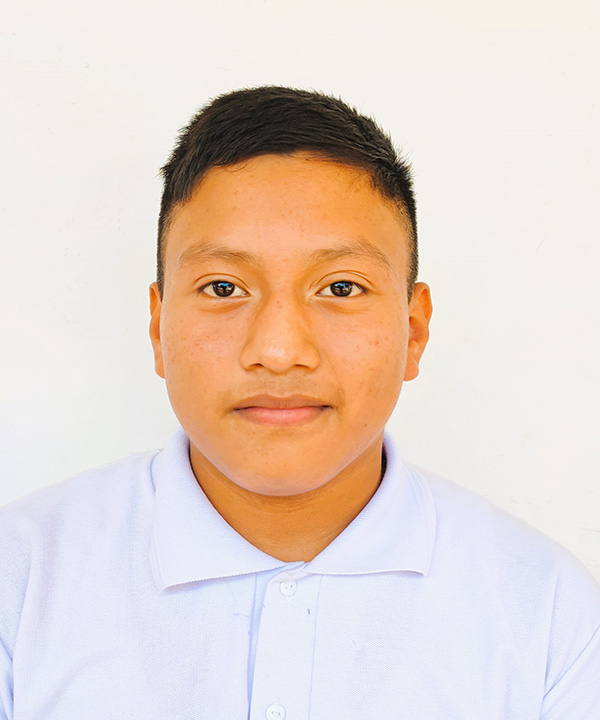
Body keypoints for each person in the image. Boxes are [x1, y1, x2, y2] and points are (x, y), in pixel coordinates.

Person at [1, 87, 599, 720]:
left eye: (340, 287)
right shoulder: (21, 579)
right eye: (223, 287)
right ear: (158, 326)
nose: (280, 351)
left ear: (414, 331)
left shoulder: (548, 612)